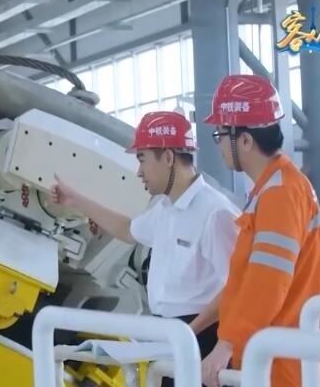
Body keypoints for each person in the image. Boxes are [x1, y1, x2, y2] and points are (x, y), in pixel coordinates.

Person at [51, 111, 241, 366]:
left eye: (142, 160)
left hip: (201, 336)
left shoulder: (215, 213)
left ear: (169, 158)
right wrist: (75, 200)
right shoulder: (164, 208)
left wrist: (187, 334)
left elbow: (237, 288)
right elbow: (128, 230)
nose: (139, 172)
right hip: (169, 333)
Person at [199, 74, 320, 387]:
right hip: (272, 359)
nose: (218, 145)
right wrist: (192, 330)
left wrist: (225, 346)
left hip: (281, 366)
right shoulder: (272, 189)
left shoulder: (280, 194)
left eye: (220, 134)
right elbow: (245, 283)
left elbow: (268, 283)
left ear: (245, 140)